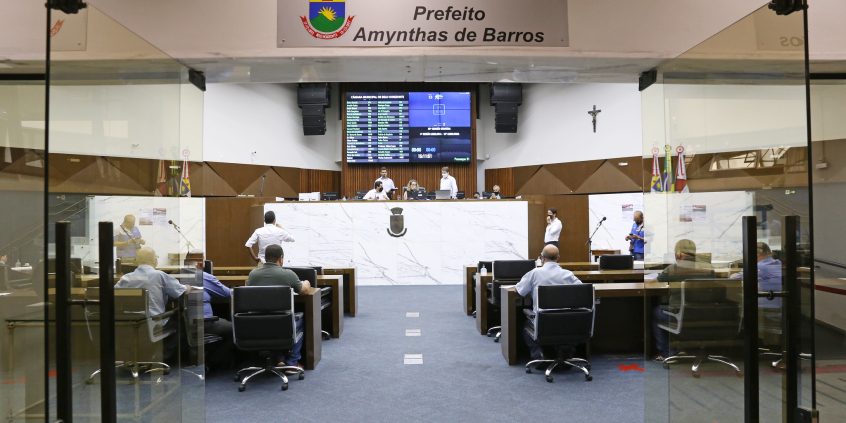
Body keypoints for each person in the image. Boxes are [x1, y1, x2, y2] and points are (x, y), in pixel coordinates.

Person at [246, 244, 311, 374]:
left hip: (257, 325)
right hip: (282, 325)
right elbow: (304, 291)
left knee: (271, 321)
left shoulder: (253, 275)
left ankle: (278, 358)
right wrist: (307, 282)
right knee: (299, 321)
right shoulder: (288, 275)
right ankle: (292, 363)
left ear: (264, 257)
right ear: (281, 258)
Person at [114, 247, 187, 360]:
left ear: (137, 260)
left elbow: (114, 295)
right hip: (153, 323)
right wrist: (188, 287)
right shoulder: (159, 275)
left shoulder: (126, 278)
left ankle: (138, 356)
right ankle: (159, 357)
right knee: (182, 322)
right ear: (154, 259)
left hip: (129, 323)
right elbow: (181, 291)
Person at [515, 245, 582, 361]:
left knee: (526, 324)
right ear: (558, 257)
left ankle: (539, 355)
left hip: (543, 323)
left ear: (542, 257)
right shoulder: (568, 274)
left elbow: (519, 290)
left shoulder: (535, 273)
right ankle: (567, 351)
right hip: (567, 322)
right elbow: (582, 291)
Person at [651, 239, 714, 362]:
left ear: (679, 253)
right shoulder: (708, 268)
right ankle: (683, 348)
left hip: (680, 315)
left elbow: (652, 284)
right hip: (704, 313)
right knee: (678, 313)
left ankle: (668, 352)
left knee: (656, 311)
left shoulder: (673, 269)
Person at [179, 250, 233, 371]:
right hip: (205, 323)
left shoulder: (174, 275)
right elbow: (226, 293)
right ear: (200, 263)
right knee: (237, 329)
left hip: (183, 323)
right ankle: (215, 360)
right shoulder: (204, 277)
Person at [730, 242, 782, 316]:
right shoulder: (779, 263)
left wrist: (733, 275)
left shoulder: (756, 267)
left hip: (764, 310)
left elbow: (733, 281)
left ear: (756, 254)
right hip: (780, 307)